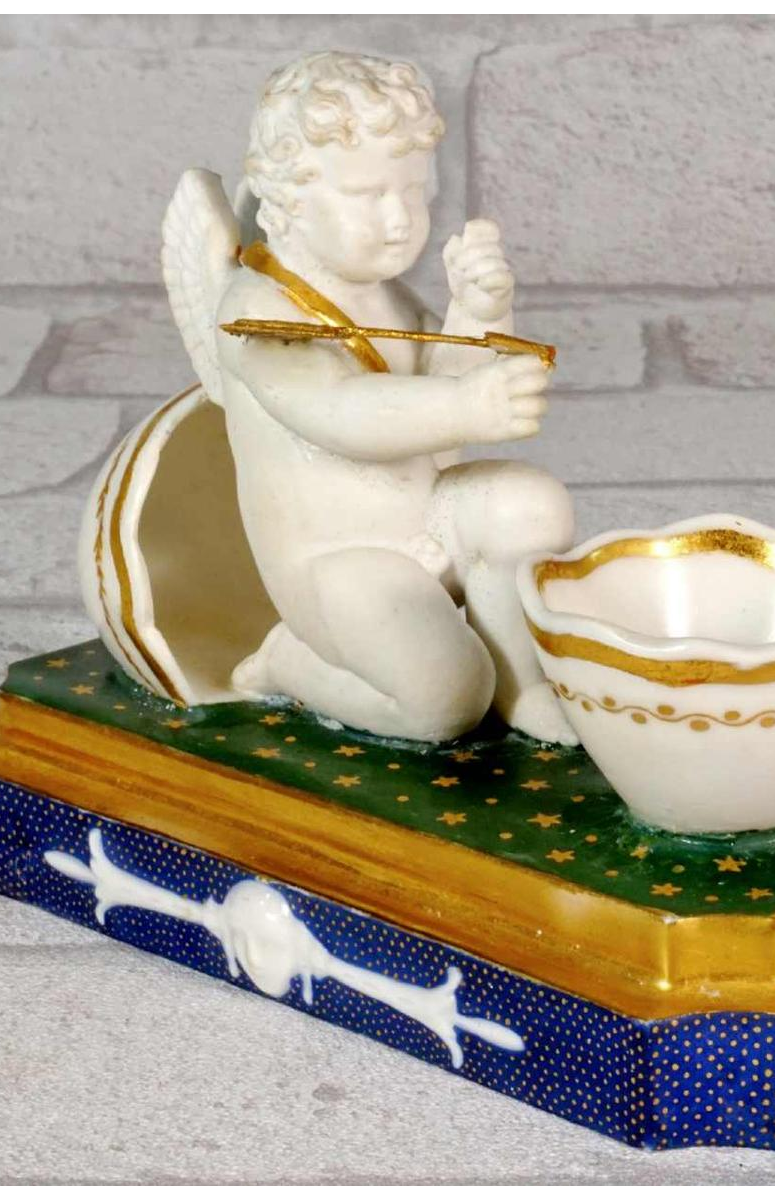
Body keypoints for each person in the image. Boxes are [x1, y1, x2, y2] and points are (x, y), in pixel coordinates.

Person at [214, 52, 577, 743]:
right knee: (446, 700)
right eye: (366, 194)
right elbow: (339, 413)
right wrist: (468, 405)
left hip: (429, 519)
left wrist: (478, 311)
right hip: (341, 565)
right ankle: (291, 659)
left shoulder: (381, 295)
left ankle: (520, 683)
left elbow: (439, 389)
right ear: (286, 202)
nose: (400, 218)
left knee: (528, 504)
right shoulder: (258, 313)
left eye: (414, 192)